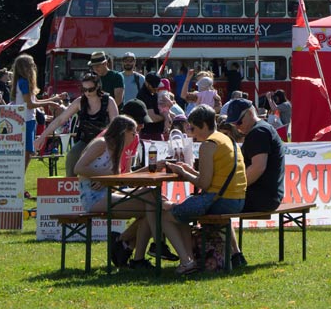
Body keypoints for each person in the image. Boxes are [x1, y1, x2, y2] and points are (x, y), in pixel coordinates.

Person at [74, 115, 173, 269]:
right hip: (93, 198)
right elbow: (78, 168)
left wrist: (148, 169)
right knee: (152, 202)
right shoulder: (101, 143)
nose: (135, 136)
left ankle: (129, 246)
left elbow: (122, 178)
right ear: (123, 131)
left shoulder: (117, 148)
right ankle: (152, 246)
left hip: (108, 192)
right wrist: (103, 177)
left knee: (152, 198)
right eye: (133, 133)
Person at [163, 104, 248, 275]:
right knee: (181, 213)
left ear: (203, 125)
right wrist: (189, 170)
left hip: (221, 201)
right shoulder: (226, 139)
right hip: (237, 200)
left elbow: (204, 184)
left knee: (165, 215)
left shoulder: (208, 145)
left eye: (192, 128)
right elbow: (212, 177)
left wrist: (182, 172)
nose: (191, 133)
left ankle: (187, 261)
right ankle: (190, 260)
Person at [222, 98, 284, 267]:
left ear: (250, 113)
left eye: (239, 122)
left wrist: (234, 188)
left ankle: (230, 255)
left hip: (262, 197)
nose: (237, 126)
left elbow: (257, 168)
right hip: (267, 195)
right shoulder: (261, 130)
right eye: (233, 123)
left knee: (218, 205)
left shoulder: (258, 133)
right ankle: (233, 254)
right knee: (217, 203)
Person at [35, 72, 118, 176]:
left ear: (98, 87)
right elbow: (60, 119)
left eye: (90, 89)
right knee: (71, 156)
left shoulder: (109, 101)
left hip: (105, 141)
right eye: (84, 89)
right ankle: (70, 183)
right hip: (85, 140)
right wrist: (42, 137)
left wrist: (112, 144)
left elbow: (116, 125)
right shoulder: (79, 102)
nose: (87, 93)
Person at [10, 54, 62, 172]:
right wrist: (49, 103)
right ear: (25, 67)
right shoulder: (24, 82)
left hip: (27, 120)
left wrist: (53, 100)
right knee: (27, 152)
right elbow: (29, 105)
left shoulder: (22, 81)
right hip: (25, 121)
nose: (34, 66)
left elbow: (35, 101)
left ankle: (20, 178)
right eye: (31, 64)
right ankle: (20, 179)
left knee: (29, 152)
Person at [136, 73, 166, 141]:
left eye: (157, 86)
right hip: (148, 134)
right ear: (146, 83)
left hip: (157, 133)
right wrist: (165, 117)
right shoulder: (143, 95)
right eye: (153, 86)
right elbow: (152, 118)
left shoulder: (153, 93)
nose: (155, 88)